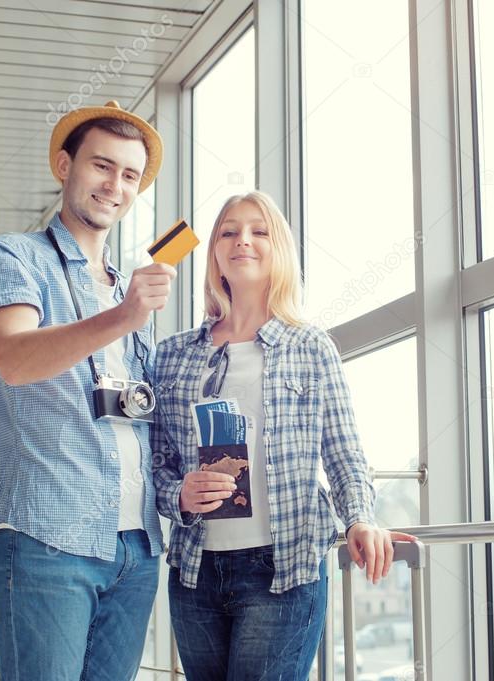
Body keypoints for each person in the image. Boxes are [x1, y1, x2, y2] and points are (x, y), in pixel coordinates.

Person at [152, 191, 415, 680]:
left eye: (259, 231)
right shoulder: (172, 355)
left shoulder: (311, 348)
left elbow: (343, 452)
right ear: (213, 252)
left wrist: (359, 519)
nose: (242, 241)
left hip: (283, 570)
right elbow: (157, 463)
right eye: (228, 231)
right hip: (194, 573)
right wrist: (179, 494)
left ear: (280, 250)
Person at [0, 100, 176, 681]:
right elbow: (14, 358)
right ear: (64, 165)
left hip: (135, 546)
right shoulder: (12, 256)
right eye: (101, 166)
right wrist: (123, 317)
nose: (115, 185)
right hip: (46, 537)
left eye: (130, 175)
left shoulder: (128, 288)